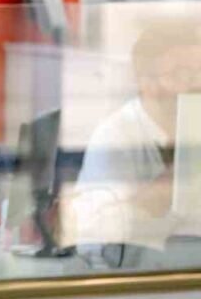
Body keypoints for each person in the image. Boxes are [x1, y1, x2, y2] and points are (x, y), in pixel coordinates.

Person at [69, 21, 201, 247]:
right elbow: (96, 233)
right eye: (182, 74)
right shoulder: (115, 137)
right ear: (146, 82)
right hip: (143, 265)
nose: (196, 85)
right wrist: (169, 187)